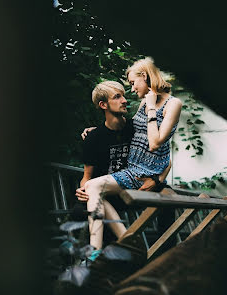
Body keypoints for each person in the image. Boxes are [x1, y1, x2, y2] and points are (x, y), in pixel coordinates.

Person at [83, 58, 182, 255]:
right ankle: (128, 241)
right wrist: (98, 131)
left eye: (132, 82)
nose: (132, 89)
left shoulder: (172, 103)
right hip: (132, 170)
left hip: (144, 173)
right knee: (94, 191)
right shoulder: (144, 102)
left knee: (93, 187)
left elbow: (156, 144)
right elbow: (131, 128)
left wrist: (157, 179)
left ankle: (95, 252)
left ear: (144, 76)